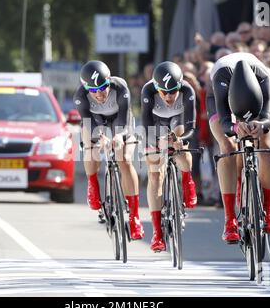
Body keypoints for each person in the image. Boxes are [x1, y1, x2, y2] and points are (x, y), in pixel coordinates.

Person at [206, 52, 270, 243]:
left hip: (257, 100)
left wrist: (259, 125)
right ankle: (229, 219)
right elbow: (224, 121)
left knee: (268, 146)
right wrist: (235, 127)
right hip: (219, 98)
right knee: (227, 146)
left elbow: (266, 118)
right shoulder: (221, 76)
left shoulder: (263, 76)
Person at [73, 60, 144, 240]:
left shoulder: (120, 88)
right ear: (86, 88)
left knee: (125, 160)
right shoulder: (81, 95)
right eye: (93, 90)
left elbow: (124, 118)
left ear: (109, 81)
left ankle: (135, 217)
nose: (99, 93)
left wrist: (118, 136)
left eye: (103, 87)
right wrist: (102, 137)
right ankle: (93, 186)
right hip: (96, 122)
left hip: (120, 121)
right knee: (90, 146)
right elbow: (89, 122)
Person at [141, 61, 197, 252]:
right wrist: (156, 143)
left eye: (173, 91)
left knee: (180, 143)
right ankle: (157, 232)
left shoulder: (188, 91)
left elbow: (192, 127)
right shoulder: (148, 91)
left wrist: (179, 140)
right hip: (156, 125)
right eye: (163, 92)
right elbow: (147, 124)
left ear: (179, 85)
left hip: (178, 122)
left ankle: (187, 180)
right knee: (154, 171)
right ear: (157, 88)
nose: (168, 96)